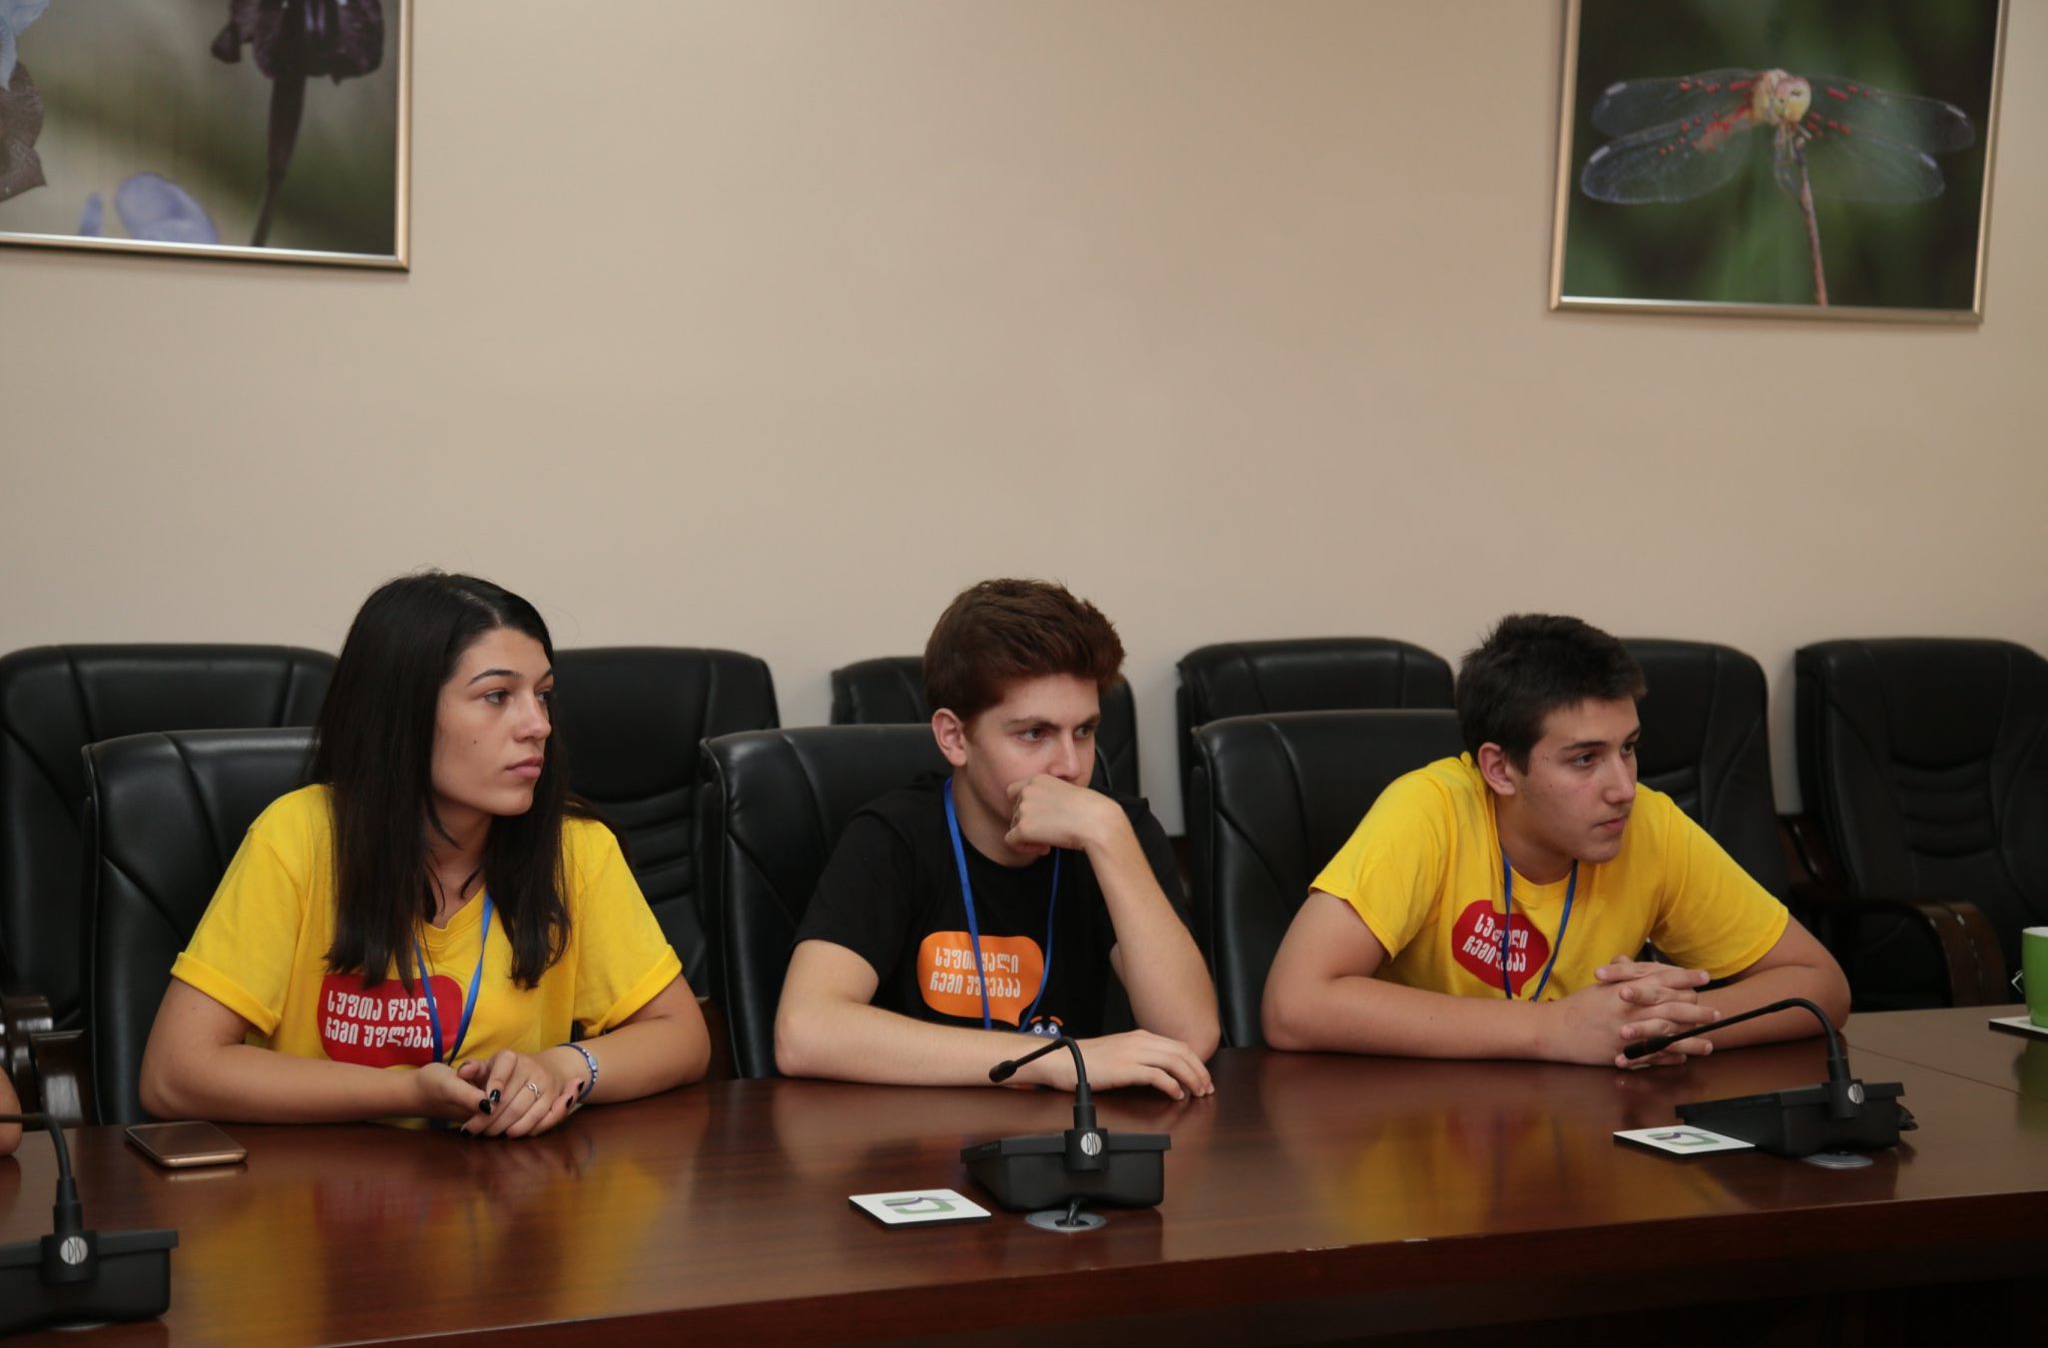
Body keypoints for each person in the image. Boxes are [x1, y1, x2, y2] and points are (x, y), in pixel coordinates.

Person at [139, 572, 709, 1136]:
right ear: (403, 714)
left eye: (542, 695)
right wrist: (409, 1092)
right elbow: (174, 1074)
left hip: (506, 1184)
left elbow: (682, 1035)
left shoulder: (572, 848)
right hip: (313, 1182)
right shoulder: (298, 835)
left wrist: (566, 1066)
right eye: (496, 696)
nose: (538, 726)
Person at [1262, 613, 1849, 1068]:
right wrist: (1555, 1029)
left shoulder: (1648, 822)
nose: (1623, 788)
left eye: (1628, 748)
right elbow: (1294, 1006)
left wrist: (1665, 1024)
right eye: (1585, 759)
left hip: (1581, 1125)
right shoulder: (1429, 810)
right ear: (1500, 770)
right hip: (1416, 1131)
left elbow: (1820, 983)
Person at [776, 579, 1220, 1098]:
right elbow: (804, 1032)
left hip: (1075, 1134)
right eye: (1034, 733)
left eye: (1084, 731)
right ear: (954, 737)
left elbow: (1188, 1038)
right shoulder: (893, 837)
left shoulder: (1114, 829)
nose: (1071, 766)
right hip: (921, 1135)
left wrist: (1109, 837)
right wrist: (1047, 1060)